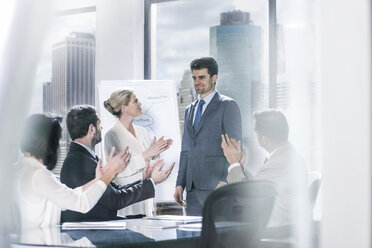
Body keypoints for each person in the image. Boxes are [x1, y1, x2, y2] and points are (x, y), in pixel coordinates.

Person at [60, 105, 174, 222]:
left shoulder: (83, 157)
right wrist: (152, 182)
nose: (102, 127)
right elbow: (115, 199)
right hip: (93, 229)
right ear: (91, 129)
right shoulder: (81, 162)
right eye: (99, 124)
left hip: (99, 224)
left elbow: (115, 191)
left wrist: (144, 180)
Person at [16, 113, 130, 228]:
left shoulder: (24, 169)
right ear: (48, 143)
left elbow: (70, 195)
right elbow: (82, 204)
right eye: (57, 140)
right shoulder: (39, 176)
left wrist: (98, 180)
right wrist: (109, 174)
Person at [174, 57, 242, 216]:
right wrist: (180, 184)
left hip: (216, 187)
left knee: (217, 236)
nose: (197, 82)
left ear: (214, 78)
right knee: (193, 238)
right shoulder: (190, 109)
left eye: (202, 77)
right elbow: (186, 150)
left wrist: (225, 180)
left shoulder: (227, 105)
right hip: (191, 191)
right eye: (194, 78)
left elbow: (236, 147)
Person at [220, 109, 309, 227]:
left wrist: (233, 164)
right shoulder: (283, 156)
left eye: (256, 133)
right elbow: (257, 188)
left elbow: (246, 198)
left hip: (273, 233)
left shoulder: (280, 164)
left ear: (264, 139)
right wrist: (240, 167)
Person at [103, 89, 173, 217]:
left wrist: (155, 154)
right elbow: (117, 170)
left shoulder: (142, 131)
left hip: (145, 195)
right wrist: (147, 153)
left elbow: (147, 163)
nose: (140, 103)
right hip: (128, 200)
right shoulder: (111, 135)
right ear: (124, 108)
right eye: (135, 101)